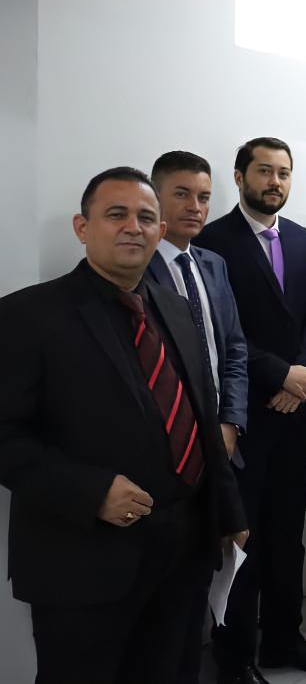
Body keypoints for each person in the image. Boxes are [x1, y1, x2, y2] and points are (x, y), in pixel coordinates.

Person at [0, 167, 248, 684]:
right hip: (85, 556)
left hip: (184, 549)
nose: (133, 227)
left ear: (160, 233)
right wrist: (91, 491)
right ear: (82, 227)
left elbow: (201, 414)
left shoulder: (176, 310)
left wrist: (228, 510)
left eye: (145, 217)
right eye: (116, 215)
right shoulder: (27, 315)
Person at [195, 138, 306, 682]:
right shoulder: (212, 242)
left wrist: (300, 376)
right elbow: (217, 328)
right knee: (245, 539)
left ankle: (285, 639)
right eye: (264, 171)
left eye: (284, 172)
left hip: (294, 410)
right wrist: (278, 373)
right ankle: (237, 659)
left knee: (288, 535)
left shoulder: (300, 239)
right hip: (244, 414)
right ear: (239, 177)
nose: (275, 182)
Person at [146, 151, 251, 684]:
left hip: (222, 440)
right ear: (156, 199)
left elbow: (233, 348)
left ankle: (226, 664)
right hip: (172, 449)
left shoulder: (211, 263)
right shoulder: (138, 270)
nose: (194, 206)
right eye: (181, 194)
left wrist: (231, 422)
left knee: (222, 559)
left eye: (204, 196)